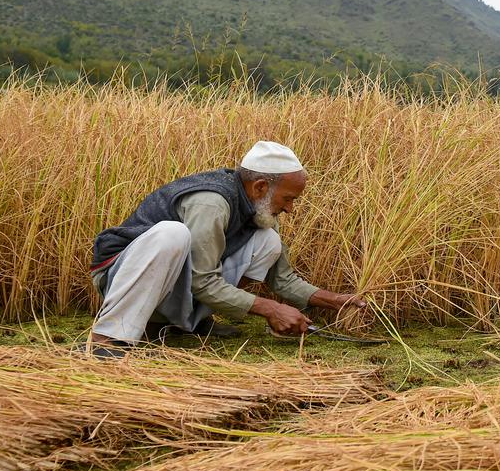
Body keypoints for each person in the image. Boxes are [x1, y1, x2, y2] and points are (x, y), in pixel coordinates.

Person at [79, 141, 364, 358]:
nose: (290, 209)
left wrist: (334, 300)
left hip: (172, 283)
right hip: (121, 275)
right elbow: (202, 280)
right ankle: (108, 339)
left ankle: (187, 325)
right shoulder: (211, 202)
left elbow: (282, 279)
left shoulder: (260, 210)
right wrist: (270, 309)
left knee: (268, 242)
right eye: (288, 198)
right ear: (261, 186)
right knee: (172, 234)